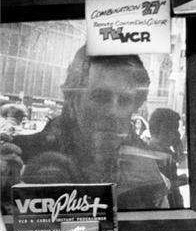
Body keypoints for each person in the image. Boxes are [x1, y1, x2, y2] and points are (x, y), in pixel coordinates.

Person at [1, 45, 171, 210]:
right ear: (73, 100)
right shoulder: (20, 159)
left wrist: (152, 192)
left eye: (125, 100)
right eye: (101, 97)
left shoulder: (149, 173)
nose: (113, 111)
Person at [147, 107, 184, 208]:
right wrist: (181, 181)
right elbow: (159, 187)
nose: (178, 134)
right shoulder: (154, 153)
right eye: (175, 128)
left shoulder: (166, 151)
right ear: (165, 129)